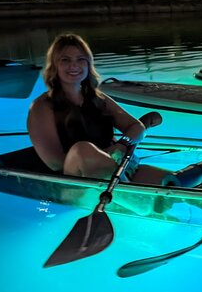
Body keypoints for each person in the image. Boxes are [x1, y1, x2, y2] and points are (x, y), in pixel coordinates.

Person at [28, 33, 166, 185]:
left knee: (171, 182)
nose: (74, 65)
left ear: (88, 64)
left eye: (80, 59)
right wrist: (101, 157)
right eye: (65, 60)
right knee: (83, 150)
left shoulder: (98, 98)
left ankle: (135, 195)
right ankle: (132, 197)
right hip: (72, 182)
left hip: (117, 169)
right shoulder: (42, 106)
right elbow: (55, 163)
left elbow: (136, 127)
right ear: (54, 66)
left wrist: (122, 144)